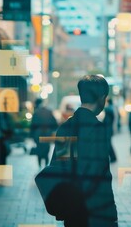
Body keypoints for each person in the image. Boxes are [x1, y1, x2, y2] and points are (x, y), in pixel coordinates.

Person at [50, 75, 118, 227]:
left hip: (72, 207)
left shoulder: (65, 127)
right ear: (102, 98)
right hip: (96, 210)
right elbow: (98, 173)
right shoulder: (97, 128)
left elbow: (61, 167)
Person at [30, 98, 59, 168]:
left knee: (39, 148)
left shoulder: (36, 112)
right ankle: (46, 164)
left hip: (38, 133)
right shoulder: (49, 111)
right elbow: (55, 123)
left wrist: (32, 135)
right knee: (46, 148)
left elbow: (32, 125)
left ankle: (39, 164)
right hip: (47, 133)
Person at [103, 98, 117, 163]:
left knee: (108, 144)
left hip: (107, 131)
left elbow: (106, 123)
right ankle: (113, 157)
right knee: (109, 144)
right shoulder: (112, 109)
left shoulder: (108, 111)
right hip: (109, 130)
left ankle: (113, 157)